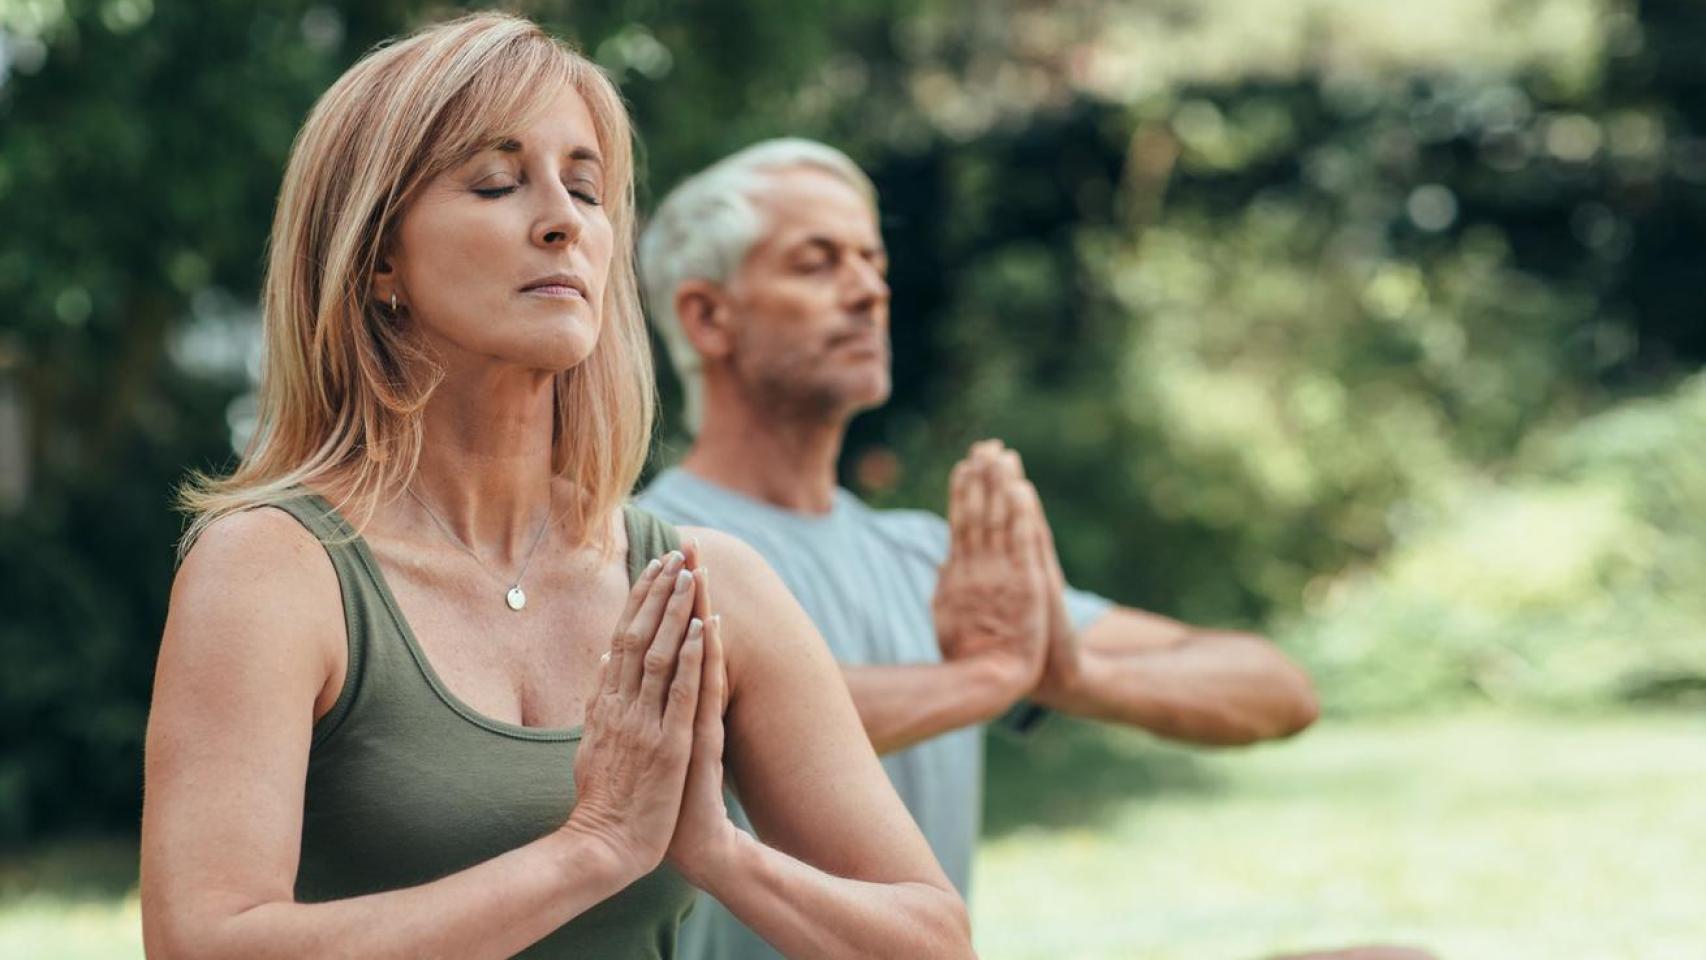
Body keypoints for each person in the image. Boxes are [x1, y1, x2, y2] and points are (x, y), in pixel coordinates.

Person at [139, 20, 973, 960]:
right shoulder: (273, 568)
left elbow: (933, 939)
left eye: (584, 187)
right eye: (497, 182)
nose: (562, 220)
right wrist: (594, 849)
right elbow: (201, 944)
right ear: (378, 262)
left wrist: (716, 851)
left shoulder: (705, 587)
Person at [635, 139, 1323, 960]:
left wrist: (1070, 675)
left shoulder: (932, 561)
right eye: (817, 264)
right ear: (708, 317)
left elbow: (1278, 689)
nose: (868, 290)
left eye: (871, 260)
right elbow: (731, 719)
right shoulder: (644, 550)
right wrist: (980, 679)